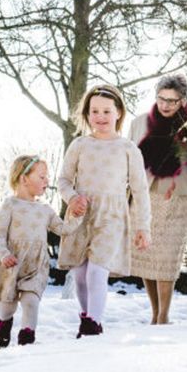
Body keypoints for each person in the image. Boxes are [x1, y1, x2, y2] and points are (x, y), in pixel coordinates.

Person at [57, 84, 152, 337]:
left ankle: (91, 324)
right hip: (80, 214)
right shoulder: (79, 145)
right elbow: (64, 180)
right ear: (87, 114)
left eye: (106, 111)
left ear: (118, 113)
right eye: (94, 111)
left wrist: (143, 226)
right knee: (79, 274)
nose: (100, 117)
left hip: (112, 216)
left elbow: (141, 191)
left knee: (98, 271)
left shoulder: (128, 148)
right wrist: (72, 197)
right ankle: (89, 318)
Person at [0, 154, 87, 347]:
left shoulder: (45, 210)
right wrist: (4, 254)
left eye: (47, 177)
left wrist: (77, 216)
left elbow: (64, 229)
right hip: (11, 264)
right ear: (24, 179)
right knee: (7, 308)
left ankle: (27, 340)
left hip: (36, 265)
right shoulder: (10, 205)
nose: (47, 181)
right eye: (42, 177)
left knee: (31, 302)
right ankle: (3, 323)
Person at [129, 74, 187, 325]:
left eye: (172, 101)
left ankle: (164, 315)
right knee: (147, 257)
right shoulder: (139, 123)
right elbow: (129, 161)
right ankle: (154, 312)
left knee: (167, 256)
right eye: (161, 99)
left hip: (178, 197)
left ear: (183, 100)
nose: (165, 105)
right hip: (145, 196)